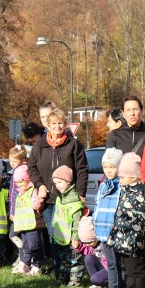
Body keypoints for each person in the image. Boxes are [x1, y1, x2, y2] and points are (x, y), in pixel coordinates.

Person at [28, 108, 89, 267]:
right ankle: (58, 268)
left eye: (60, 123)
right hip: (48, 198)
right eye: (54, 123)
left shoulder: (74, 144)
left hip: (68, 198)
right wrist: (39, 185)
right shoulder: (39, 145)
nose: (57, 126)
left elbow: (82, 169)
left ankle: (72, 266)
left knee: (69, 232)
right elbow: (32, 168)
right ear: (48, 125)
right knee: (53, 234)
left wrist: (81, 193)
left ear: (65, 124)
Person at [106, 152, 145, 288]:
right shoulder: (125, 190)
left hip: (134, 240)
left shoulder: (143, 191)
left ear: (133, 177)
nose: (120, 180)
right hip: (122, 238)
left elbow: (144, 216)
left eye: (122, 177)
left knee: (137, 270)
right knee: (127, 270)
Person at [92, 147, 122, 288]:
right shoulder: (103, 185)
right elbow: (97, 204)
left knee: (118, 263)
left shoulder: (122, 186)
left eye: (112, 167)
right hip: (103, 231)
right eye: (105, 167)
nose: (108, 170)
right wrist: (94, 222)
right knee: (110, 263)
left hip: (115, 231)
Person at [50, 166, 84, 287]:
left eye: (60, 182)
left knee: (74, 259)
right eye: (55, 183)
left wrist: (76, 238)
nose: (57, 185)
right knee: (63, 259)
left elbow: (77, 222)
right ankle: (63, 276)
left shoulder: (74, 201)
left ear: (68, 181)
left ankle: (75, 280)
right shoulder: (60, 198)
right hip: (60, 237)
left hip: (71, 238)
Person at [11, 164, 42, 276]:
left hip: (32, 225)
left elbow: (36, 202)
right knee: (26, 246)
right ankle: (26, 264)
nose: (19, 185)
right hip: (23, 224)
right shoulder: (20, 192)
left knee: (34, 245)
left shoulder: (32, 190)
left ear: (27, 179)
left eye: (21, 181)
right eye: (17, 182)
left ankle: (37, 264)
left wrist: (36, 204)